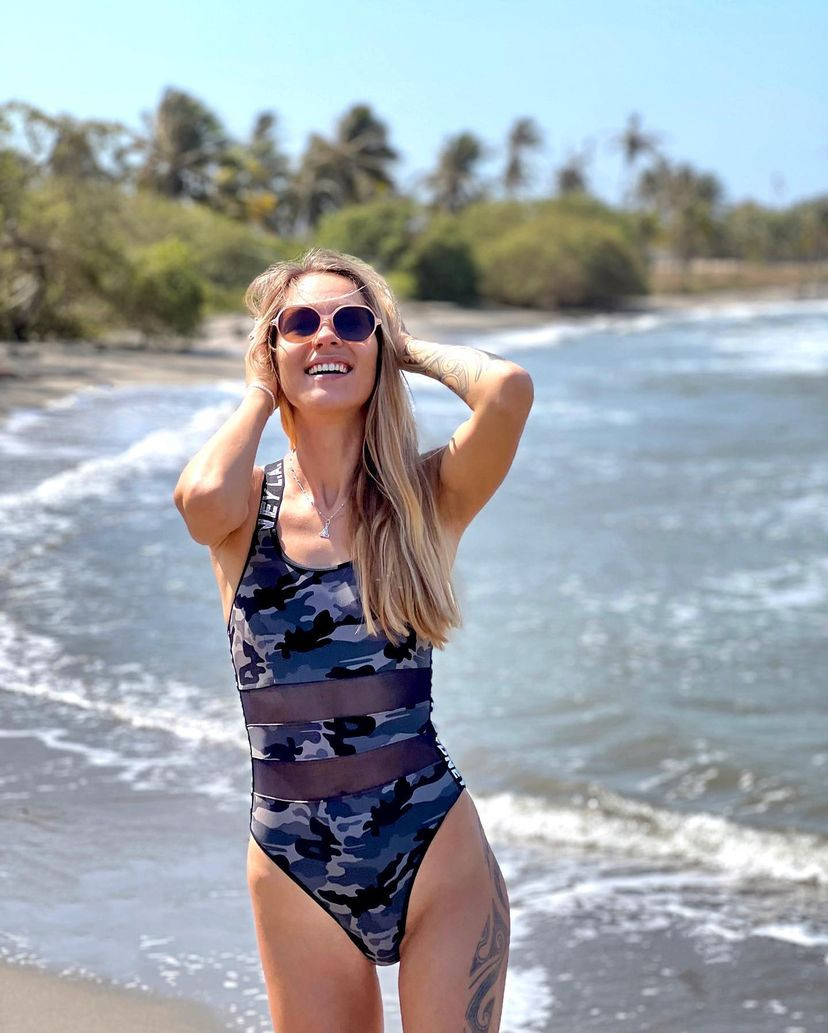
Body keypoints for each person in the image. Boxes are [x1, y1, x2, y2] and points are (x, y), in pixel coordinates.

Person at [173, 247, 533, 1033]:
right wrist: (260, 391)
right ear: (271, 346)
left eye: (351, 322)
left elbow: (507, 389)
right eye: (300, 322)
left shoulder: (423, 497)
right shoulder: (244, 511)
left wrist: (400, 346)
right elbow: (197, 499)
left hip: (432, 847)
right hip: (292, 863)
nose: (326, 335)